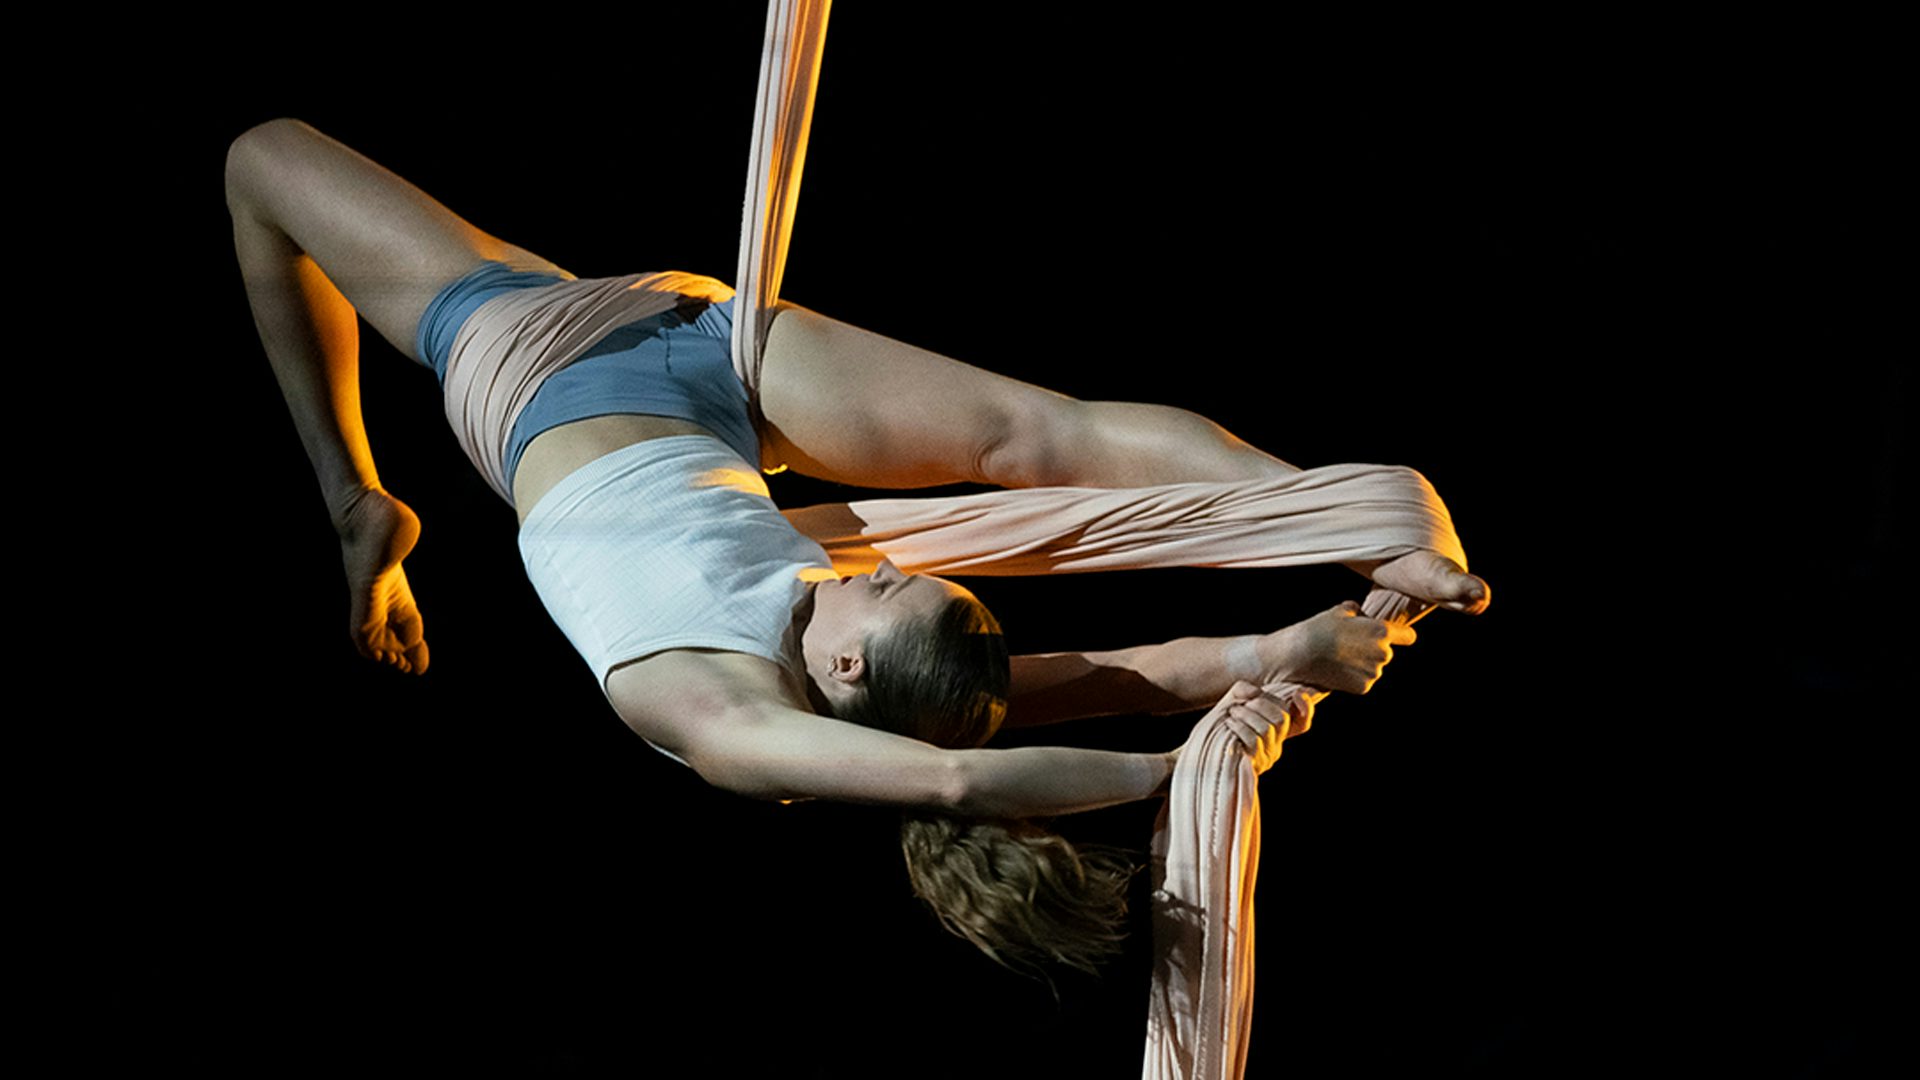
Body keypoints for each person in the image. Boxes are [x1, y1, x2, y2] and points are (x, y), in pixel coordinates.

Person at [225, 118, 1486, 976]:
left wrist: (1178, 786)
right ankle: (1345, 516)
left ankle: (354, 502)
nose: (869, 563)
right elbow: (1122, 670)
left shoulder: (722, 715)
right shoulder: (905, 693)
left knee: (263, 161)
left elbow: (958, 787)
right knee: (1039, 433)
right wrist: (1280, 643)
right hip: (722, 371)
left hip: (530, 356)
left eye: (878, 589)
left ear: (837, 679)